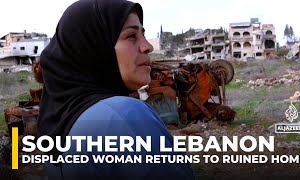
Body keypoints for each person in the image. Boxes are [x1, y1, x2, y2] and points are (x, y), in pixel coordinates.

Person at [37, 0, 195, 179]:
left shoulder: (60, 126)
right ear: (94, 47)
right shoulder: (123, 115)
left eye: (143, 34)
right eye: (131, 36)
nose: (147, 46)